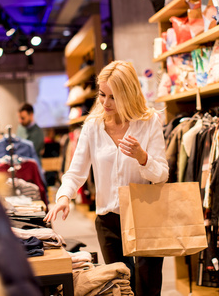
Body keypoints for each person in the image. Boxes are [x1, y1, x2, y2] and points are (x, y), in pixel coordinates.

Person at [44, 60, 169, 296]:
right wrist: (64, 196)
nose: (106, 102)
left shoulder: (149, 122)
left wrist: (143, 158)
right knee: (118, 286)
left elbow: (162, 174)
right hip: (108, 221)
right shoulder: (93, 126)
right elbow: (76, 171)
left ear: (128, 94)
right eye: (102, 94)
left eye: (113, 97)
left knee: (148, 288)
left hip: (144, 217)